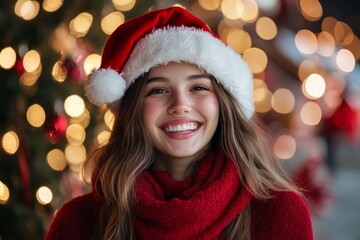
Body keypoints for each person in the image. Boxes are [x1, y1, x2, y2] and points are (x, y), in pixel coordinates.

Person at [46, 6, 313, 240]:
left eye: (198, 87)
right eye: (158, 90)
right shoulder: (77, 223)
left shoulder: (279, 214)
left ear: (222, 102)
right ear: (133, 109)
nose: (180, 105)